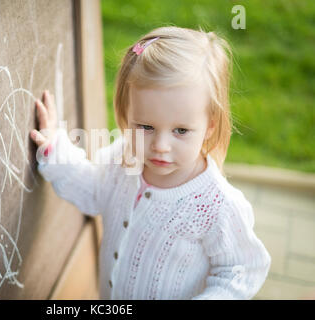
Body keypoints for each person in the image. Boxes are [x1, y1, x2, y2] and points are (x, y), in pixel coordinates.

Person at [29, 26, 271, 300]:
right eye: (145, 126)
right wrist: (55, 149)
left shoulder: (216, 204)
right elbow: (93, 190)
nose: (160, 146)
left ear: (210, 127)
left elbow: (241, 270)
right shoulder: (122, 160)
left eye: (180, 130)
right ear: (126, 113)